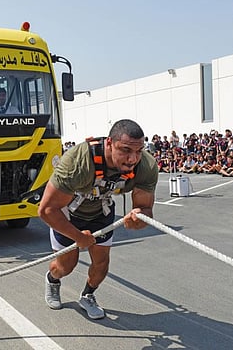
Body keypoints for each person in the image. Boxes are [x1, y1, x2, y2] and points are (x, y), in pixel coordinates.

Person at [38, 119, 159, 320]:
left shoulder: (145, 165)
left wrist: (139, 218)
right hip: (68, 214)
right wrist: (78, 237)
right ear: (109, 143)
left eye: (138, 151)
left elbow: (145, 209)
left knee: (101, 264)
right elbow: (47, 210)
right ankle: (52, 280)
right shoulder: (78, 161)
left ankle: (87, 295)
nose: (132, 159)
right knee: (66, 267)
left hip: (100, 213)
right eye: (125, 150)